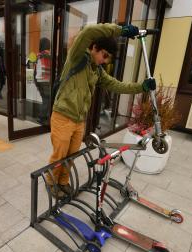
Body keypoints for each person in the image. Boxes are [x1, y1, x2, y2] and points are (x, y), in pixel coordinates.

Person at [47, 23, 156, 198]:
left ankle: (63, 182)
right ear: (94, 48)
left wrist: (141, 87)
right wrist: (121, 31)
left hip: (79, 120)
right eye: (104, 55)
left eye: (107, 59)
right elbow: (90, 32)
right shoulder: (76, 56)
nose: (104, 61)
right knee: (60, 155)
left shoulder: (96, 70)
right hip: (63, 116)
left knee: (72, 155)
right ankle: (52, 183)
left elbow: (116, 85)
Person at [34, 37, 52, 125]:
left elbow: (35, 69)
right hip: (46, 80)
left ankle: (44, 116)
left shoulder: (38, 55)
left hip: (39, 80)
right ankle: (42, 117)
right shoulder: (50, 56)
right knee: (47, 99)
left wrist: (35, 81)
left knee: (45, 99)